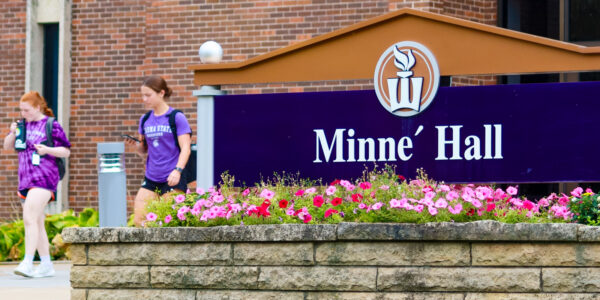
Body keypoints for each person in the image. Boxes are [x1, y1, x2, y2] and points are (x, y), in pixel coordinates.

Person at [2, 91, 71, 278]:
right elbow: (7, 146)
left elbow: (66, 151)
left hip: (44, 178)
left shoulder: (51, 124)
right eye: (21, 110)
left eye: (27, 110)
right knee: (37, 222)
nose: (24, 113)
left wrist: (47, 150)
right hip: (25, 178)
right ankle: (46, 263)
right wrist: (12, 132)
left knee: (29, 218)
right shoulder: (22, 125)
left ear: (38, 107)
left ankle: (27, 261)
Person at [125, 76, 192, 226]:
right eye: (142, 95)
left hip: (172, 177)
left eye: (148, 95)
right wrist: (136, 144)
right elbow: (143, 150)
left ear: (161, 93)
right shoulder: (145, 119)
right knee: (139, 220)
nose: (144, 99)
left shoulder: (176, 117)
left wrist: (178, 170)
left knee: (171, 222)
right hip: (152, 176)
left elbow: (186, 148)